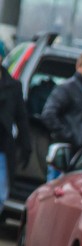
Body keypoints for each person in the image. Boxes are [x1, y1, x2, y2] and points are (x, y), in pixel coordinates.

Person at [41, 50, 82, 177]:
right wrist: (70, 136)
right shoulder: (66, 88)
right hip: (64, 156)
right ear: (78, 67)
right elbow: (48, 114)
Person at [0, 64, 32, 213]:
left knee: (1, 194)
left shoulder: (13, 86)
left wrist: (26, 144)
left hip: (3, 148)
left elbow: (21, 118)